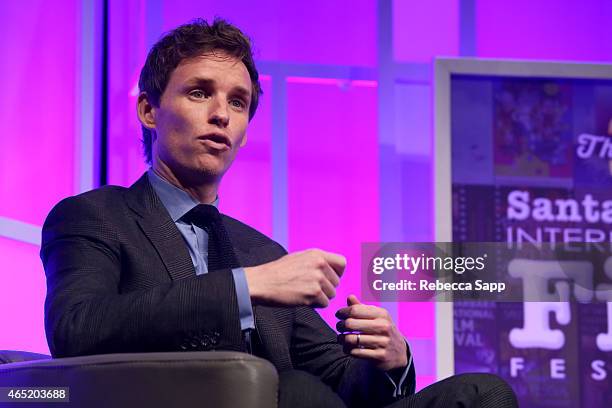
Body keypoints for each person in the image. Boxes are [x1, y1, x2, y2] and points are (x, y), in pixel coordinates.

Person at [41, 18, 517, 408]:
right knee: (293, 388)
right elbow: (77, 328)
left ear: (245, 131)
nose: (221, 115)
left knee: (483, 393)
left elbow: (339, 383)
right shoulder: (94, 216)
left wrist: (386, 359)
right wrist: (245, 287)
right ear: (149, 110)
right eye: (200, 93)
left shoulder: (260, 251)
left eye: (238, 102)